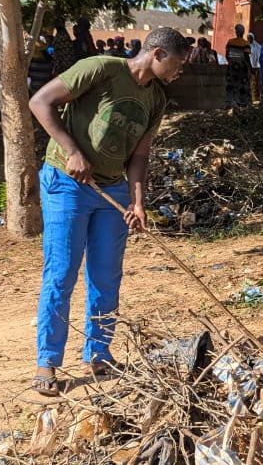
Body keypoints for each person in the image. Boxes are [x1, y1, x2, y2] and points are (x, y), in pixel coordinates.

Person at [27, 27, 188, 396]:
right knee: (62, 272)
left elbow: (140, 154)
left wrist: (136, 200)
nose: (180, 72)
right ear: (158, 54)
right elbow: (40, 102)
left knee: (106, 275)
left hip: (111, 188)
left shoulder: (157, 99)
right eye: (178, 64)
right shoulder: (101, 68)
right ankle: (47, 362)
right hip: (68, 184)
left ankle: (97, 354)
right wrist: (72, 150)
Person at [225, 24, 252, 106]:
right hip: (241, 67)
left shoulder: (230, 42)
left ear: (236, 32)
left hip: (231, 66)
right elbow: (247, 57)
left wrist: (231, 62)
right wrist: (250, 68)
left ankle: (231, 101)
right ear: (243, 32)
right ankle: (242, 102)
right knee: (242, 84)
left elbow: (227, 54)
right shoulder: (245, 43)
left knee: (231, 83)